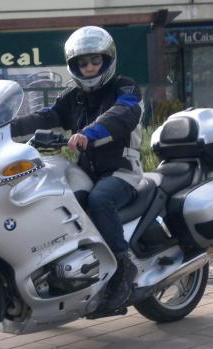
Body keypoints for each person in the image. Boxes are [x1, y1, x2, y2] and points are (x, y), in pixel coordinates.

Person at [11, 26, 142, 311]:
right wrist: (9, 126)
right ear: (74, 66)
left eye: (95, 61)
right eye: (83, 63)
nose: (89, 67)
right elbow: (48, 116)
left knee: (100, 199)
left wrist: (89, 133)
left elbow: (122, 113)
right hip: (85, 172)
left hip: (121, 171)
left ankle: (123, 267)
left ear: (107, 60)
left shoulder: (125, 87)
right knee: (53, 198)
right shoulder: (74, 95)